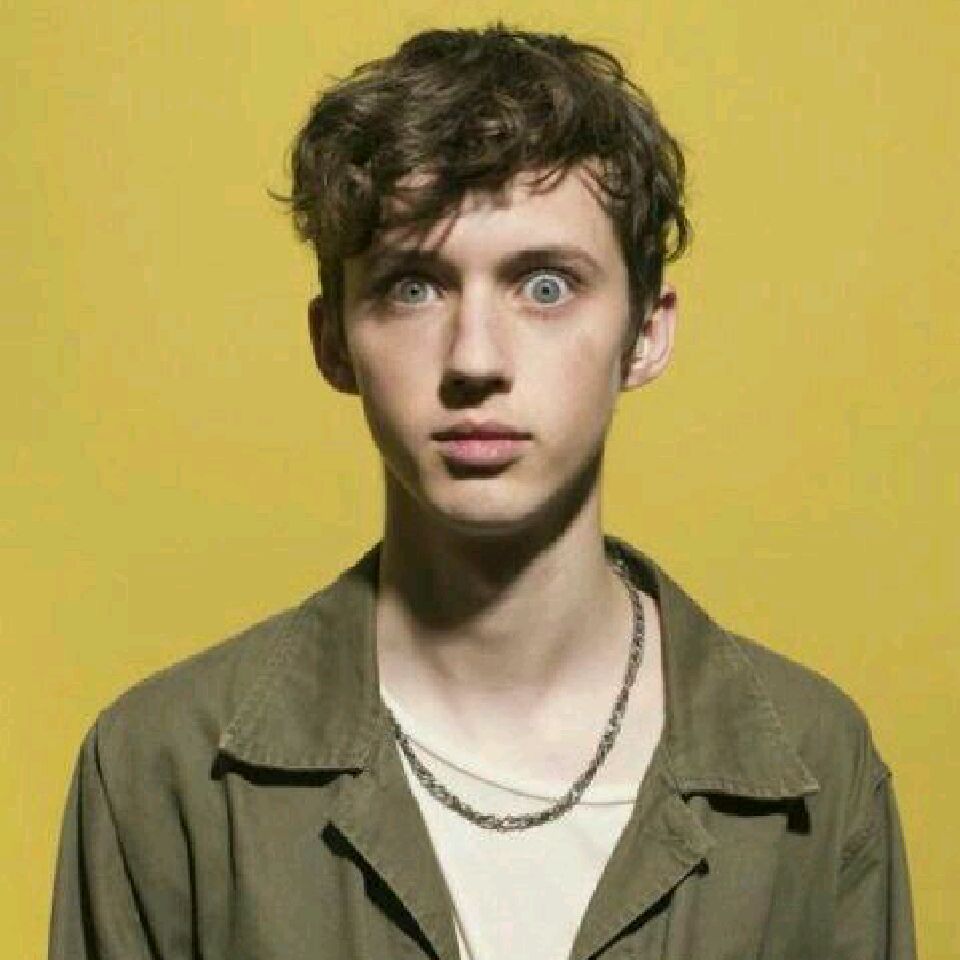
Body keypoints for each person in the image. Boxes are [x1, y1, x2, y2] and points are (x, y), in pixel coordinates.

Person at [49, 24, 916, 960]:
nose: (473, 359)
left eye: (545, 286)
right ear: (333, 340)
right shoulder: (160, 771)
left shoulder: (819, 772)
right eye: (412, 288)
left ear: (646, 332)